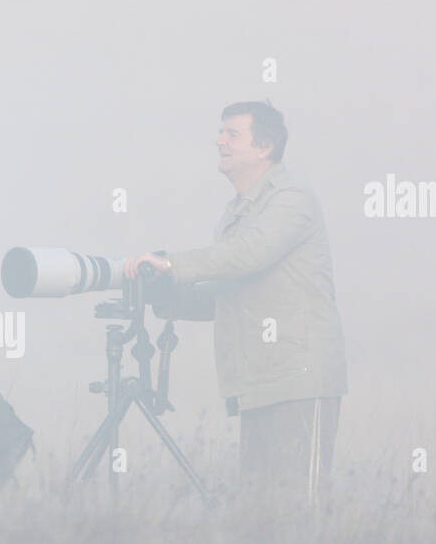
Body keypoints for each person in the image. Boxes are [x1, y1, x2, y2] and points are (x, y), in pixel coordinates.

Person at [125, 101, 348, 512]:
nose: (219, 140)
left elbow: (249, 255)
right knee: (260, 514)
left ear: (263, 147)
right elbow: (229, 292)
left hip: (299, 379)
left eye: (231, 133)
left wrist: (172, 264)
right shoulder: (237, 212)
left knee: (299, 510)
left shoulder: (292, 199)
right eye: (220, 132)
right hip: (258, 382)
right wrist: (162, 293)